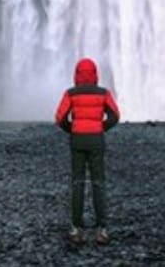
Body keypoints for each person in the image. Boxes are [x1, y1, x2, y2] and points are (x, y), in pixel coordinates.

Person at [54, 57, 120, 246]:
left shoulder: (71, 93)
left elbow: (59, 117)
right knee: (98, 182)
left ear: (76, 74)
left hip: (77, 140)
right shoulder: (103, 93)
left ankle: (77, 229)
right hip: (96, 140)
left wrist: (72, 128)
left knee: (78, 182)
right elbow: (115, 115)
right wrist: (101, 127)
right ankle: (102, 229)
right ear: (95, 74)